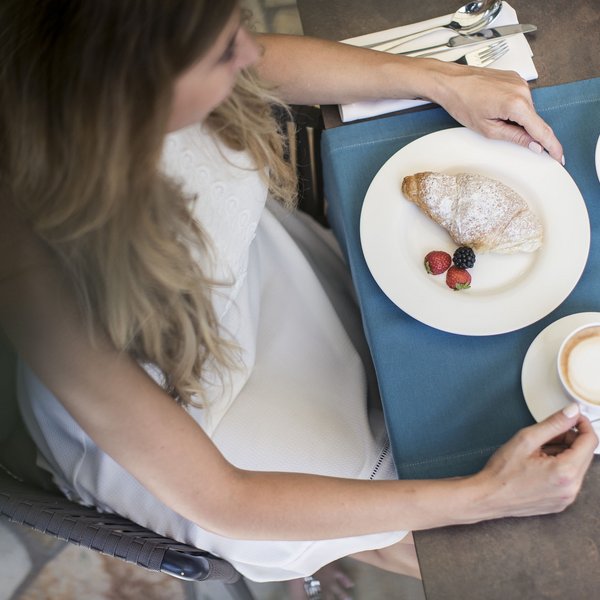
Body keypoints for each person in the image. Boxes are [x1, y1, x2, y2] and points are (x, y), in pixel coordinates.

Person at [0, 0, 595, 595]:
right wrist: (480, 497)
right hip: (190, 422)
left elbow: (261, 60)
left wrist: (444, 79)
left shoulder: (136, 57)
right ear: (134, 92)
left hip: (259, 280)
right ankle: (348, 553)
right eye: (221, 52)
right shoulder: (35, 269)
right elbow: (225, 498)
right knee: (441, 536)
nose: (250, 50)